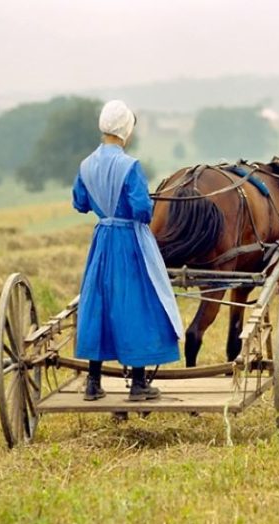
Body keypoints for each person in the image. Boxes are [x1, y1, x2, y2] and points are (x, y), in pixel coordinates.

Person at [72, 100, 183, 402]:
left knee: (100, 304)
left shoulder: (85, 165)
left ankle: (93, 382)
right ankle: (137, 383)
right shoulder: (130, 166)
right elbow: (142, 210)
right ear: (125, 131)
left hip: (102, 241)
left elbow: (80, 203)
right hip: (129, 242)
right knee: (138, 304)